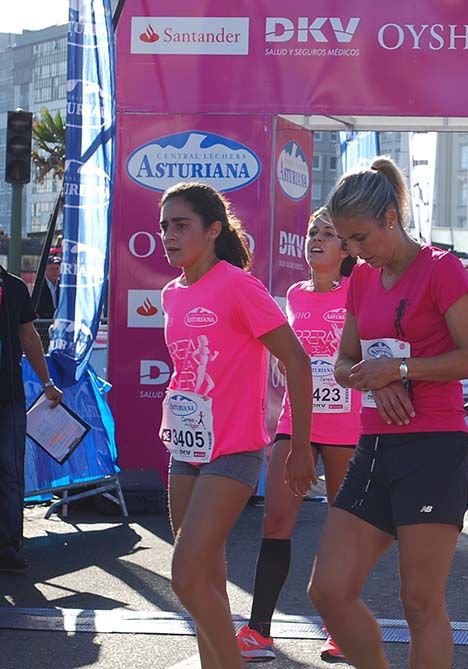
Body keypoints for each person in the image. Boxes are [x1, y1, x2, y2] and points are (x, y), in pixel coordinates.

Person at [300, 156, 468, 669]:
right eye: (346, 241)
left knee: (420, 603)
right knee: (328, 590)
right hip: (374, 445)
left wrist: (400, 370)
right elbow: (343, 363)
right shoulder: (362, 279)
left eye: (360, 238)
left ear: (390, 217)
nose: (354, 252)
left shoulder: (440, 268)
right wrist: (372, 375)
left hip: (434, 447)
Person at [158, 182, 313, 669]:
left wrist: (300, 446)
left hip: (234, 450)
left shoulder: (239, 286)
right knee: (207, 581)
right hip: (187, 449)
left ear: (213, 230)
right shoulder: (171, 294)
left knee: (185, 576)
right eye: (164, 226)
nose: (169, 235)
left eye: (181, 225)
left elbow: (298, 361)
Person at [235, 207, 361, 663]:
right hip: (296, 422)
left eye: (328, 234)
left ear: (345, 249)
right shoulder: (293, 294)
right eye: (312, 232)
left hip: (347, 425)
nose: (317, 239)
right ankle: (258, 631)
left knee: (343, 529)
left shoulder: (358, 291)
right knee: (276, 521)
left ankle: (340, 628)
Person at [0, 263, 63, 574]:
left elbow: (29, 336)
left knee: (10, 472)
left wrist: (47, 383)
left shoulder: (12, 287)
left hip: (8, 397)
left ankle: (8, 547)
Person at [34, 249, 61, 320]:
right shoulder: (39, 285)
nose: (55, 271)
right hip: (43, 321)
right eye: (51, 268)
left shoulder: (62, 285)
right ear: (45, 270)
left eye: (57, 268)